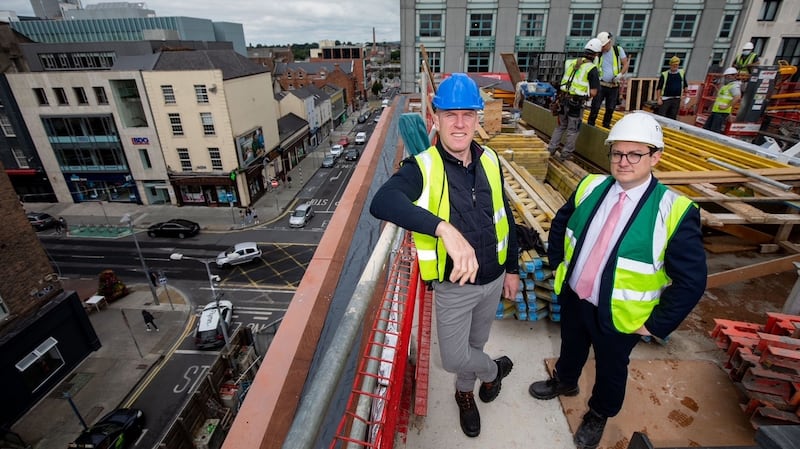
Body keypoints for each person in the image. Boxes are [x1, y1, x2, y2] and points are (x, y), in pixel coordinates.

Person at [528, 112, 706, 449]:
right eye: (617, 153)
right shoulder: (591, 186)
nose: (623, 162)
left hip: (622, 316)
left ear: (656, 156)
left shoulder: (674, 211)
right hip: (577, 297)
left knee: (611, 369)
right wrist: (558, 265)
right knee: (571, 346)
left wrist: (656, 325)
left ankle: (599, 413)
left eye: (635, 154)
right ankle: (566, 381)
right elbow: (560, 225)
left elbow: (692, 281)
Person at [370, 73, 520, 438]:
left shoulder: (490, 160)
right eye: (450, 114)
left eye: (468, 114)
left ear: (477, 119)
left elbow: (506, 216)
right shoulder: (422, 167)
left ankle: (464, 394)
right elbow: (382, 202)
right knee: (453, 357)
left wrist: (512, 269)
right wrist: (443, 228)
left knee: (476, 344)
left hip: (494, 277)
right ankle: (493, 372)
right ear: (435, 118)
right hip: (455, 286)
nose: (459, 123)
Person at [548, 38, 601, 161]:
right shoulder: (591, 68)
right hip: (576, 104)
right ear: (596, 54)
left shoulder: (571, 63)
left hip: (563, 100)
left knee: (560, 127)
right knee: (573, 130)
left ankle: (551, 149)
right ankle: (565, 155)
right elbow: (593, 92)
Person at [587, 32, 629, 128]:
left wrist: (620, 74)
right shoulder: (599, 53)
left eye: (604, 46)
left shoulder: (618, 50)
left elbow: (625, 64)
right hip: (601, 84)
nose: (602, 48)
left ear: (609, 42)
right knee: (595, 107)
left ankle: (606, 125)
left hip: (613, 86)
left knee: (610, 108)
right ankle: (590, 124)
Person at [704, 67, 741, 134]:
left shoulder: (734, 86)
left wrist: (727, 107)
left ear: (734, 76)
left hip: (721, 113)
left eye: (728, 76)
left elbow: (737, 97)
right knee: (707, 129)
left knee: (714, 131)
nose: (726, 78)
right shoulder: (726, 86)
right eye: (726, 76)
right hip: (716, 111)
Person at [655, 56, 688, 120]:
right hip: (665, 99)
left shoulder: (681, 73)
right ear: (670, 65)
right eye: (674, 65)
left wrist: (685, 95)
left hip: (676, 99)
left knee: (672, 116)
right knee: (662, 115)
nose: (675, 67)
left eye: (676, 65)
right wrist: (659, 98)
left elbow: (685, 85)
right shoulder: (664, 74)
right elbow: (659, 88)